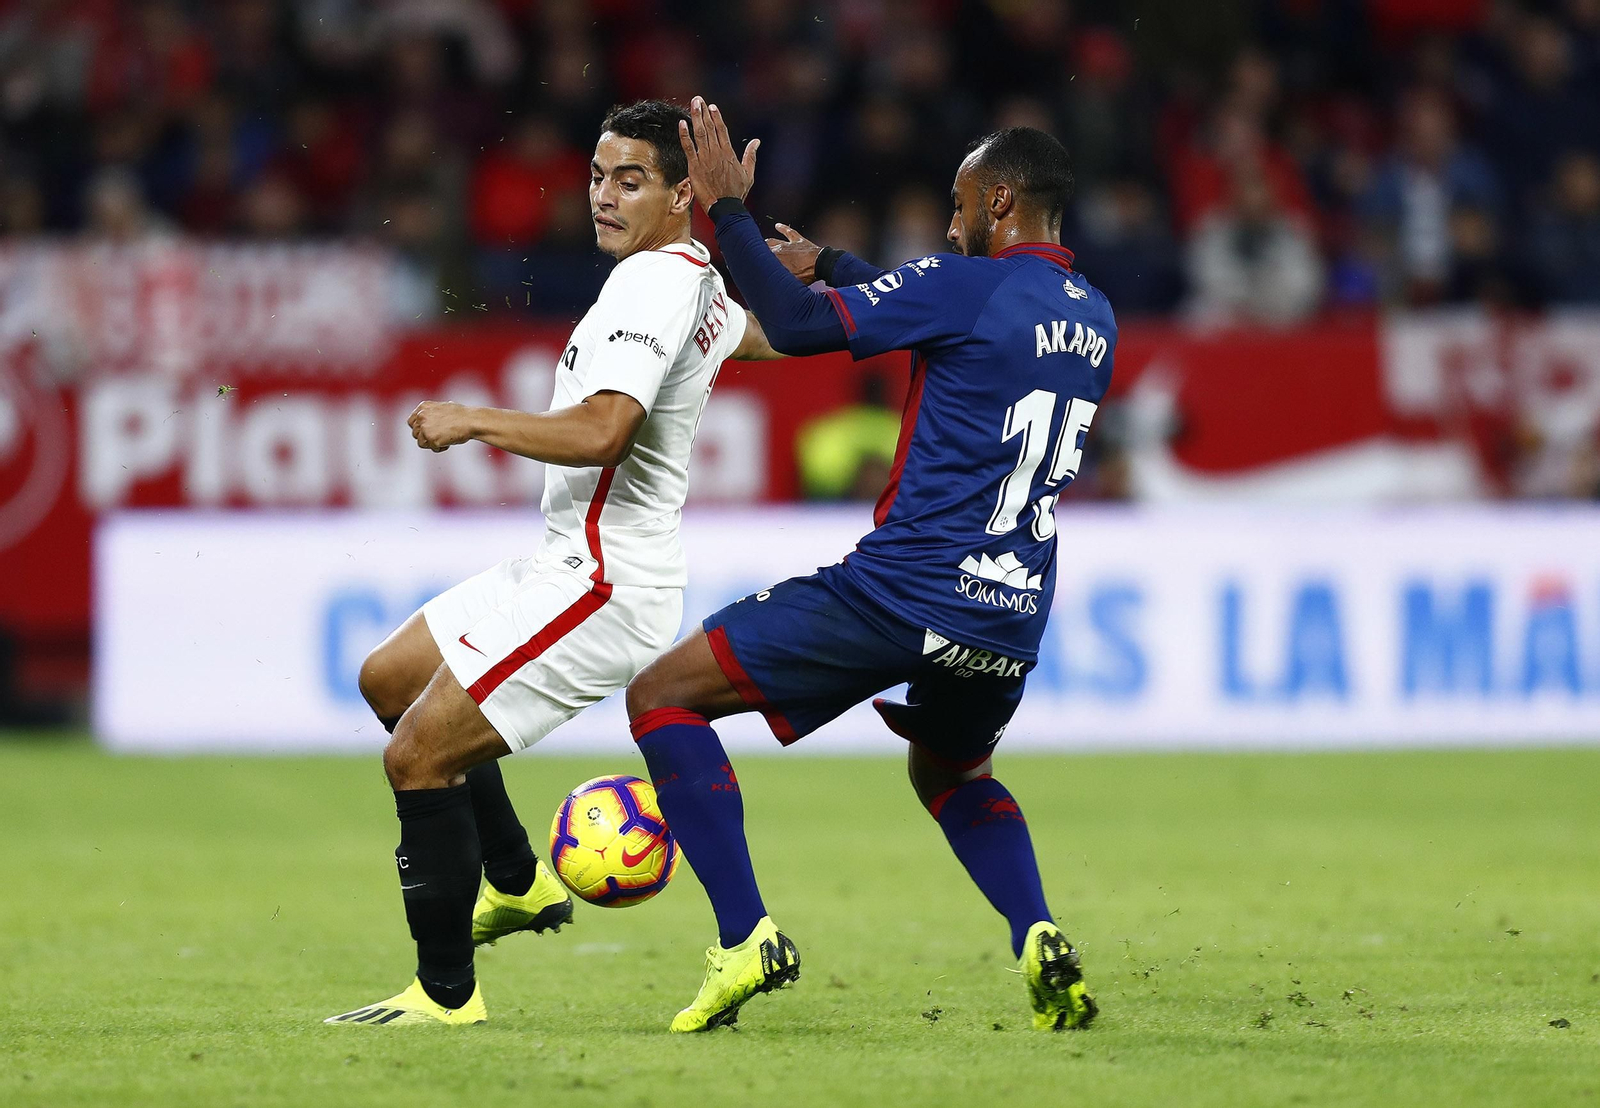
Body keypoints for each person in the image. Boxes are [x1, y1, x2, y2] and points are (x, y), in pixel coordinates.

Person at [624, 97, 1115, 1033]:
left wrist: (729, 213)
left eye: (963, 203)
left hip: (900, 590)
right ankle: (1036, 928)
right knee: (951, 776)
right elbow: (959, 315)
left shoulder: (965, 286)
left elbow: (808, 328)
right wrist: (846, 269)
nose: (950, 219)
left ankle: (744, 938)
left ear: (1001, 201)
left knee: (662, 696)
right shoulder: (1095, 317)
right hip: (1007, 616)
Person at [325, 99, 782, 1027]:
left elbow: (606, 431)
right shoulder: (694, 277)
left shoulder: (654, 284)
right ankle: (517, 880)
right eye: (597, 176)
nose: (604, 197)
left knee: (416, 755)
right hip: (563, 561)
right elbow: (770, 333)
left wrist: (475, 418)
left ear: (681, 193)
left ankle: (445, 995)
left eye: (631, 180)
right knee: (391, 680)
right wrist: (826, 292)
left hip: (604, 583)